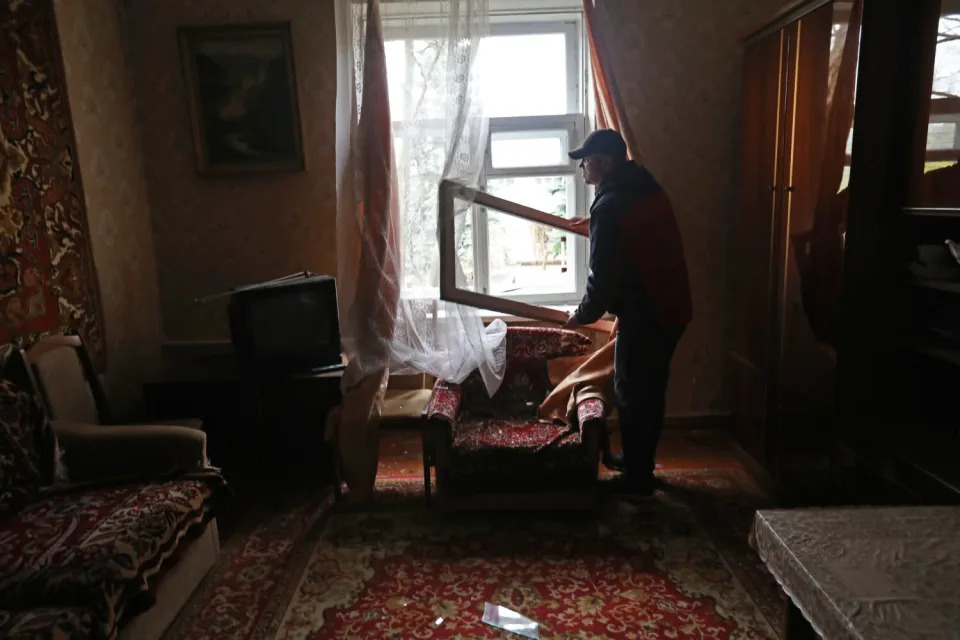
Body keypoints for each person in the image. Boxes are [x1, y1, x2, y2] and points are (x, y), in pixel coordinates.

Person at [563, 129, 692, 494]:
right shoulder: (641, 185)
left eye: (586, 161)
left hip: (649, 312)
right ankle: (640, 462)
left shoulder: (611, 204)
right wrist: (597, 226)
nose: (583, 168)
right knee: (649, 389)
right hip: (671, 306)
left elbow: (600, 277)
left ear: (604, 163)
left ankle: (638, 478)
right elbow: (635, 233)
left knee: (633, 390)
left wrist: (582, 315)